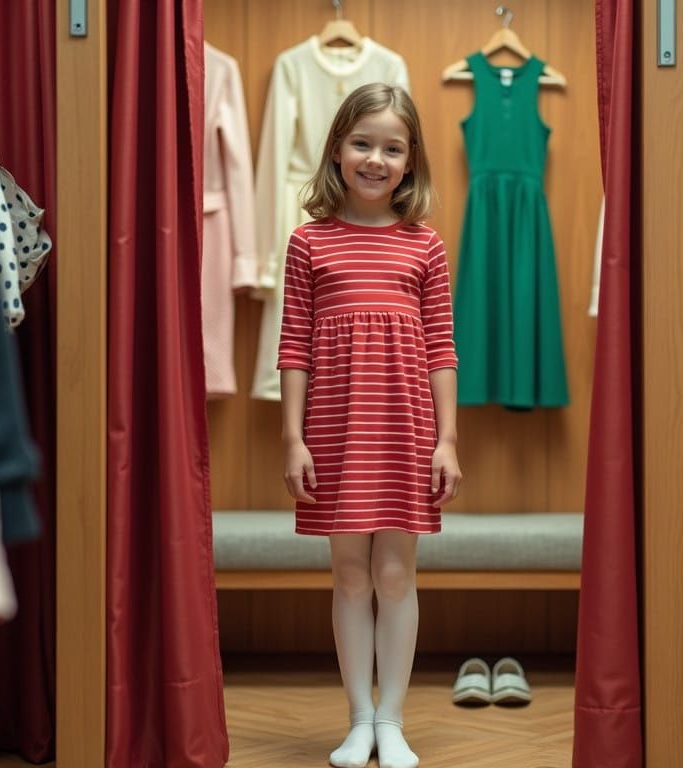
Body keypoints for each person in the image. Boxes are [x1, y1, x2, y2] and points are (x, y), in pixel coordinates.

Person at [278, 83, 461, 768]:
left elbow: (442, 345)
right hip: (333, 429)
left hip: (406, 429)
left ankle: (392, 721)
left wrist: (447, 439)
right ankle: (358, 717)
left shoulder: (426, 247)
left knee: (394, 574)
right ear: (336, 149)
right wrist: (293, 437)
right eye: (362, 143)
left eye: (392, 147)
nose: (375, 159)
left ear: (410, 161)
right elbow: (293, 343)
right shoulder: (308, 243)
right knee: (350, 576)